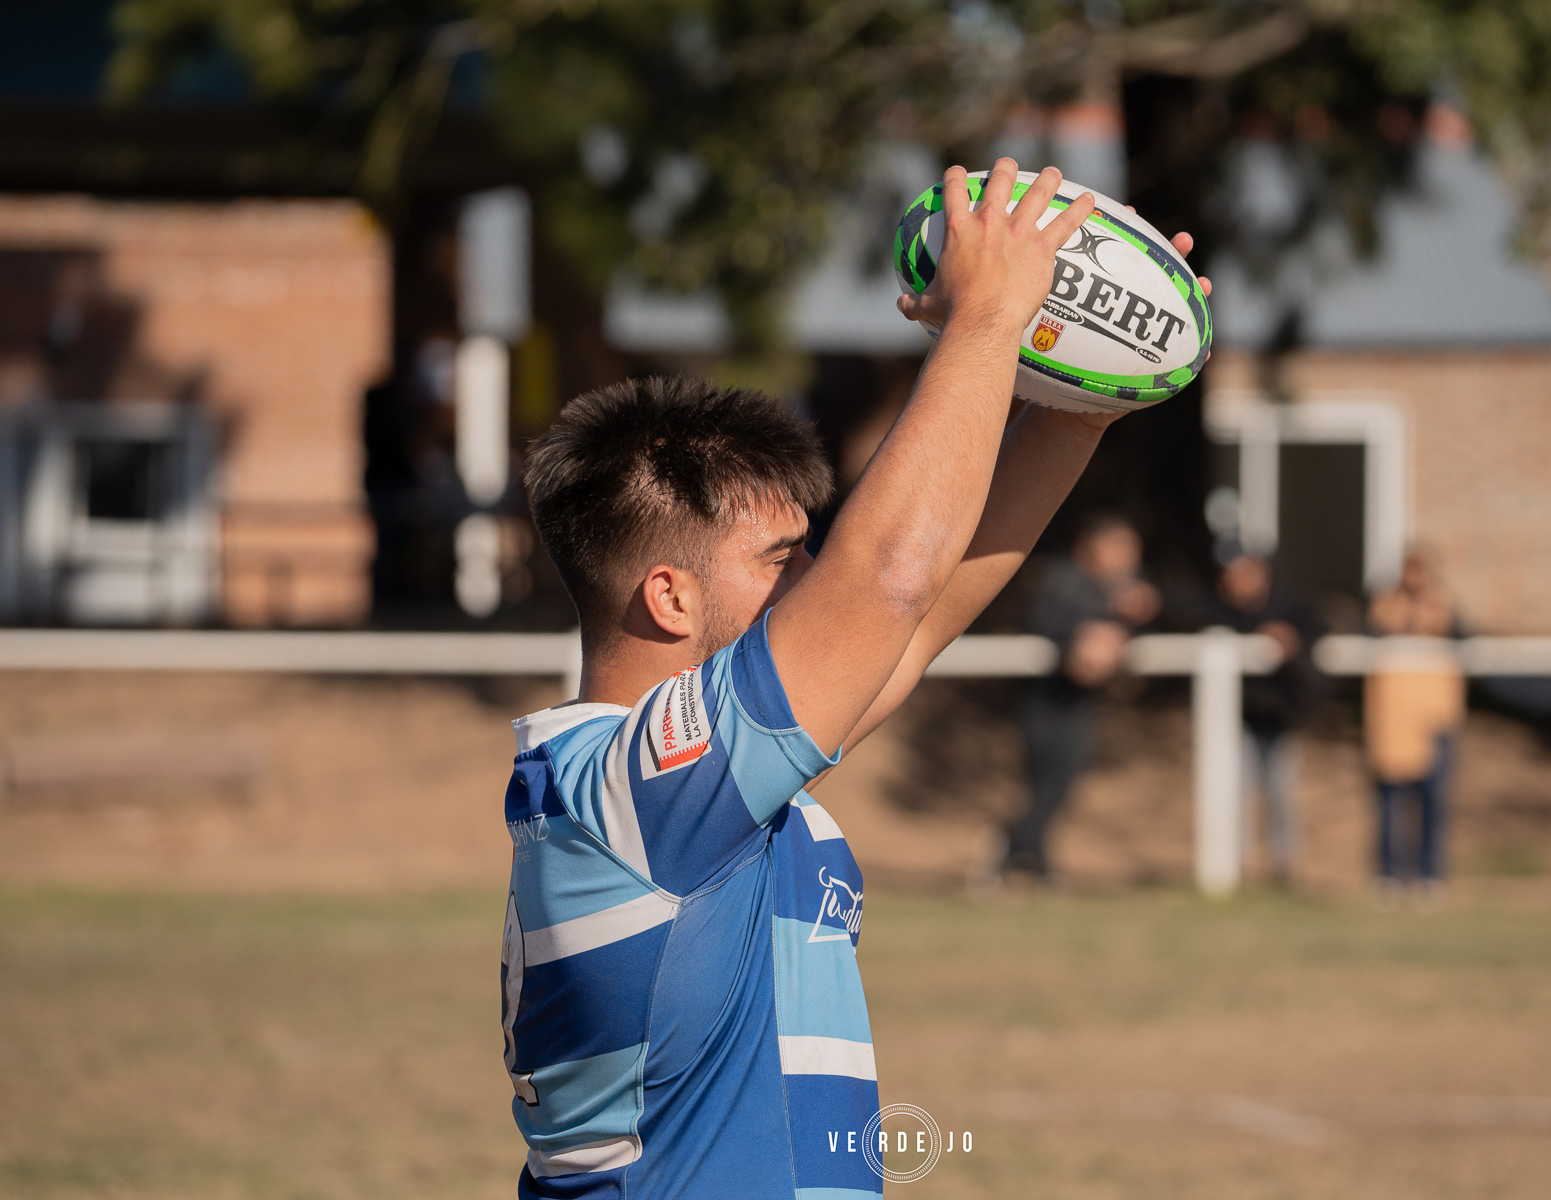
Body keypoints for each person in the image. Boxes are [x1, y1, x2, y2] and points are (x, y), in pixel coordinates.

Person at [499, 158, 1206, 1199]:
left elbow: (910, 622)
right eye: (783, 558)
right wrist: (983, 326)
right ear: (670, 598)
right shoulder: (637, 791)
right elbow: (885, 583)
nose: (813, 579)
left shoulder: (680, 790)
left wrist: (1080, 401)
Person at [1001, 513, 1160, 879]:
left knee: (1064, 781)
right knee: (1046, 781)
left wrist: (1136, 619)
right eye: (1119, 548)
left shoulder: (1125, 588)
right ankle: (1017, 848)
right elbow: (1046, 622)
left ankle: (1029, 856)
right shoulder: (1061, 578)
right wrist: (1082, 638)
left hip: (1079, 700)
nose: (1128, 559)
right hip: (1044, 697)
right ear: (1091, 547)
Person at [1202, 538, 1324, 887]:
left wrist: (1291, 642)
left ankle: (1284, 865)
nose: (1235, 581)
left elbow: (1318, 643)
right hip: (1237, 718)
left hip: (1281, 717)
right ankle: (1234, 864)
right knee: (1236, 789)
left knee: (1281, 791)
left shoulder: (1294, 605)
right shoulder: (1214, 608)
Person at [1364, 548, 1464, 900]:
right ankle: (1389, 875)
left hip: (1435, 717)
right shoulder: (1382, 610)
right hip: (1393, 717)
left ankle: (1430, 875)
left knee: (1434, 801)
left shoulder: (1445, 609)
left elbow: (1467, 640)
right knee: (1391, 801)